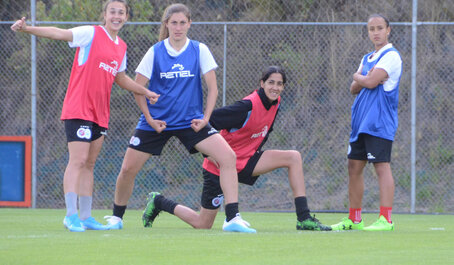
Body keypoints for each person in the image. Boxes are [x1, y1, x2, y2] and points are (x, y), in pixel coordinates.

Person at [10, 0, 159, 232]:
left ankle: (87, 216)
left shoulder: (121, 46)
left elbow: (120, 78)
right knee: (77, 160)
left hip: (100, 112)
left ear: (127, 17)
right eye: (112, 12)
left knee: (89, 164)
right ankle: (70, 215)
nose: (117, 16)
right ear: (105, 14)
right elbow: (59, 33)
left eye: (121, 13)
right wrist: (28, 29)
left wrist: (145, 91)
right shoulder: (91, 33)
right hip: (79, 108)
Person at [104, 3, 255, 233]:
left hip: (190, 122)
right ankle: (116, 218)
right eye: (173, 23)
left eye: (182, 22)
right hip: (157, 123)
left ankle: (232, 218)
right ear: (166, 24)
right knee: (127, 170)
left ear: (189, 24)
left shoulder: (199, 49)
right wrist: (149, 119)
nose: (178, 27)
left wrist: (205, 118)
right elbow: (138, 88)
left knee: (228, 157)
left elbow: (212, 88)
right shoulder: (155, 51)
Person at [139, 65, 332, 231]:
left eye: (279, 84)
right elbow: (207, 121)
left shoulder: (276, 103)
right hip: (221, 166)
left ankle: (304, 218)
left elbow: (264, 132)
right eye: (271, 82)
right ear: (262, 83)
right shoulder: (246, 107)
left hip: (247, 160)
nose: (275, 87)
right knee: (202, 224)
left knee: (293, 157)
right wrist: (210, 153)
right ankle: (159, 201)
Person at [331, 14, 402, 231]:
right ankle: (355, 219)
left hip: (379, 122)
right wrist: (363, 78)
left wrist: (360, 77)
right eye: (372, 29)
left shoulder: (392, 56)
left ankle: (386, 219)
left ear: (388, 30)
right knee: (354, 166)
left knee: (381, 166)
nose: (376, 32)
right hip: (360, 122)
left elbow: (368, 82)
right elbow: (354, 88)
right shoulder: (367, 57)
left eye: (380, 28)